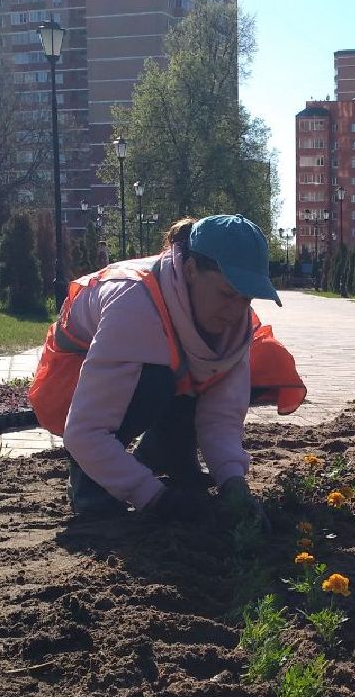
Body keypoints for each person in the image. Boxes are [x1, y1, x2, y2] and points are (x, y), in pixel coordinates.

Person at [28, 214, 286, 524]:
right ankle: (91, 485)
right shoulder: (133, 303)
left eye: (246, 298)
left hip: (142, 362)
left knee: (263, 359)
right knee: (154, 379)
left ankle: (168, 452)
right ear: (190, 271)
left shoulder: (234, 322)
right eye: (226, 294)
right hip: (71, 381)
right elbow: (85, 431)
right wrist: (154, 498)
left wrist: (232, 481)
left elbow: (222, 415)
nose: (235, 311)